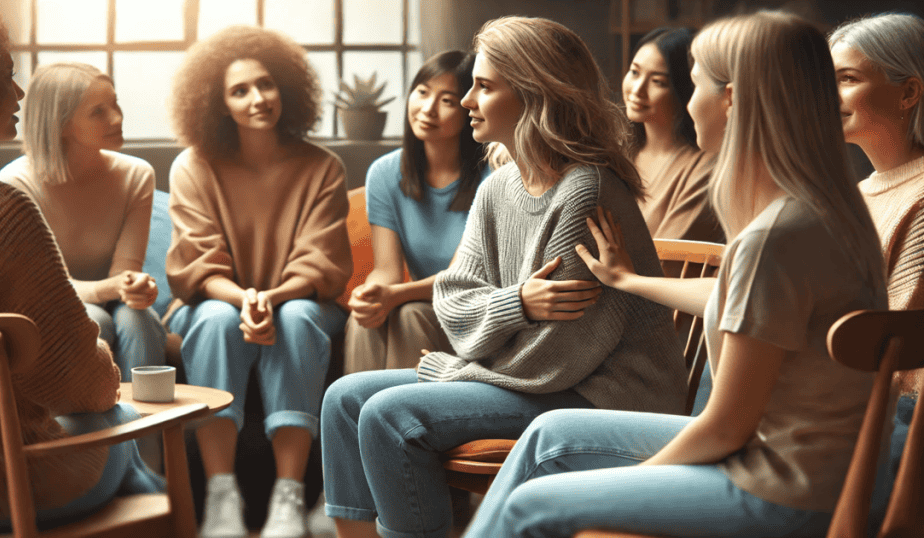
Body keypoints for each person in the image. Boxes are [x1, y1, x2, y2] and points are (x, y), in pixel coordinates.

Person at [461, 12, 889, 538]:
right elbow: (741, 301)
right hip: (817, 470)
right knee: (549, 432)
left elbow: (727, 428)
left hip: (778, 488)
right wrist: (631, 280)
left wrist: (624, 488)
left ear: (731, 100)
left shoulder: (773, 240)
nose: (688, 104)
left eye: (693, 85)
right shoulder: (821, 213)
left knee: (533, 505)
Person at [321, 16, 686, 538]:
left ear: (535, 95)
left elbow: (558, 357)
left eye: (483, 87)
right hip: (536, 380)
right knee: (343, 400)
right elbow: (452, 298)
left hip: (600, 395)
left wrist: (457, 371)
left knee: (387, 415)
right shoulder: (500, 185)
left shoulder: (584, 191)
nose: (467, 100)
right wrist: (517, 304)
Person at [0, 0, 162, 529]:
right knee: (125, 420)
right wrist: (105, 363)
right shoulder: (2, 211)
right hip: (11, 494)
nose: (20, 94)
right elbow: (82, 386)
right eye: (4, 77)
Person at [166, 25, 352, 538]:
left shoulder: (322, 167)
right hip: (218, 300)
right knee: (214, 320)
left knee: (295, 318)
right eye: (239, 90)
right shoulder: (193, 165)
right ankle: (221, 496)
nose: (257, 99)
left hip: (299, 301)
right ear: (217, 102)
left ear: (285, 89)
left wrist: (271, 298)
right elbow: (198, 262)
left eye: (266, 84)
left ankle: (288, 498)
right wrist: (245, 299)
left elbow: (321, 262)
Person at [0, 62, 166, 380]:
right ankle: (93, 427)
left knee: (139, 319)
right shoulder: (17, 183)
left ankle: (145, 430)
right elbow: (44, 289)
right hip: (48, 306)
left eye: (115, 103)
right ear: (61, 125)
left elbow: (125, 273)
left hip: (111, 300)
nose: (117, 118)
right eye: (98, 111)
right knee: (90, 320)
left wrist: (136, 288)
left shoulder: (137, 174)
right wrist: (113, 288)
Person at [344, 50, 496, 373]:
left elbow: (460, 280)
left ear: (469, 106)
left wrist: (396, 295)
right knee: (364, 321)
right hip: (414, 301)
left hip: (471, 313)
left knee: (409, 312)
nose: (427, 109)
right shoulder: (384, 173)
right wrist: (372, 293)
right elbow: (386, 268)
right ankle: (355, 422)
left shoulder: (491, 177)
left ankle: (406, 419)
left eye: (447, 100)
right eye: (422, 92)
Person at [829, 13, 924, 397]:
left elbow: (890, 350)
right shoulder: (858, 194)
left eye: (847, 79)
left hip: (892, 421)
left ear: (908, 93)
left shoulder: (920, 199)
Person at [623, 27, 721, 246]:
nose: (637, 90)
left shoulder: (706, 170)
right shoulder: (617, 151)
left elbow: (667, 261)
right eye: (635, 72)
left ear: (684, 89)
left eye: (658, 81)